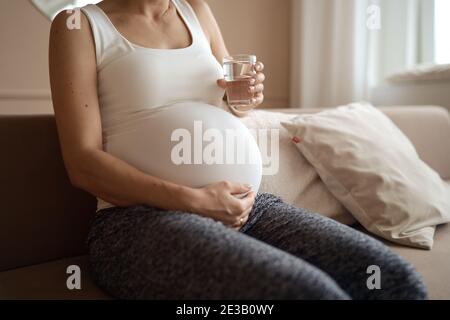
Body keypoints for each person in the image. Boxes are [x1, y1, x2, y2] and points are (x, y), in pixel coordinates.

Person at [49, 0, 427, 299]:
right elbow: (82, 163)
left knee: (390, 278)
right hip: (136, 221)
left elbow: (232, 100)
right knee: (303, 292)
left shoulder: (196, 11)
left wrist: (243, 97)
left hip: (247, 207)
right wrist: (190, 200)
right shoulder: (78, 25)